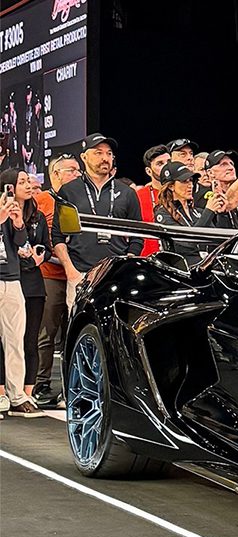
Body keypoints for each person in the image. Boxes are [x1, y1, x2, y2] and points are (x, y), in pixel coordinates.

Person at [52, 133, 143, 308]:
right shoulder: (69, 191)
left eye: (109, 153)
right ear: (84, 157)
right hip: (81, 274)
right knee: (81, 323)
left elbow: (137, 235)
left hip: (117, 276)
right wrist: (70, 271)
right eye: (98, 153)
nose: (105, 158)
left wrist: (126, 266)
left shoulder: (127, 193)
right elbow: (58, 235)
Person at [31, 153, 80, 407]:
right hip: (51, 274)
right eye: (71, 170)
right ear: (56, 174)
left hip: (79, 273)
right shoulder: (41, 201)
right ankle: (40, 383)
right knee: (46, 332)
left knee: (73, 333)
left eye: (78, 170)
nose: (77, 174)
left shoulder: (81, 200)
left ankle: (72, 387)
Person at [0, 168, 49, 418]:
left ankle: (17, 395)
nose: (27, 185)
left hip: (12, 278)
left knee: (15, 341)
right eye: (20, 182)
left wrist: (18, 223)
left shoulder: (15, 212)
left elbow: (20, 243)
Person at [153, 161, 218, 264]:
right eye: (184, 181)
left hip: (207, 265)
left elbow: (217, 241)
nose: (190, 185)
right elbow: (187, 243)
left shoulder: (198, 212)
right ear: (171, 186)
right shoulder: (163, 214)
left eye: (191, 180)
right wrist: (209, 211)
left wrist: (222, 213)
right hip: (181, 268)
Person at [202, 149, 238, 228]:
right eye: (223, 165)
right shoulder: (203, 198)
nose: (231, 168)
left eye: (231, 164)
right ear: (210, 173)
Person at [135, 144, 169, 256]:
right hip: (146, 259)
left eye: (169, 162)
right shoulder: (138, 196)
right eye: (160, 163)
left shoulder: (182, 194)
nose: (166, 167)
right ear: (149, 171)